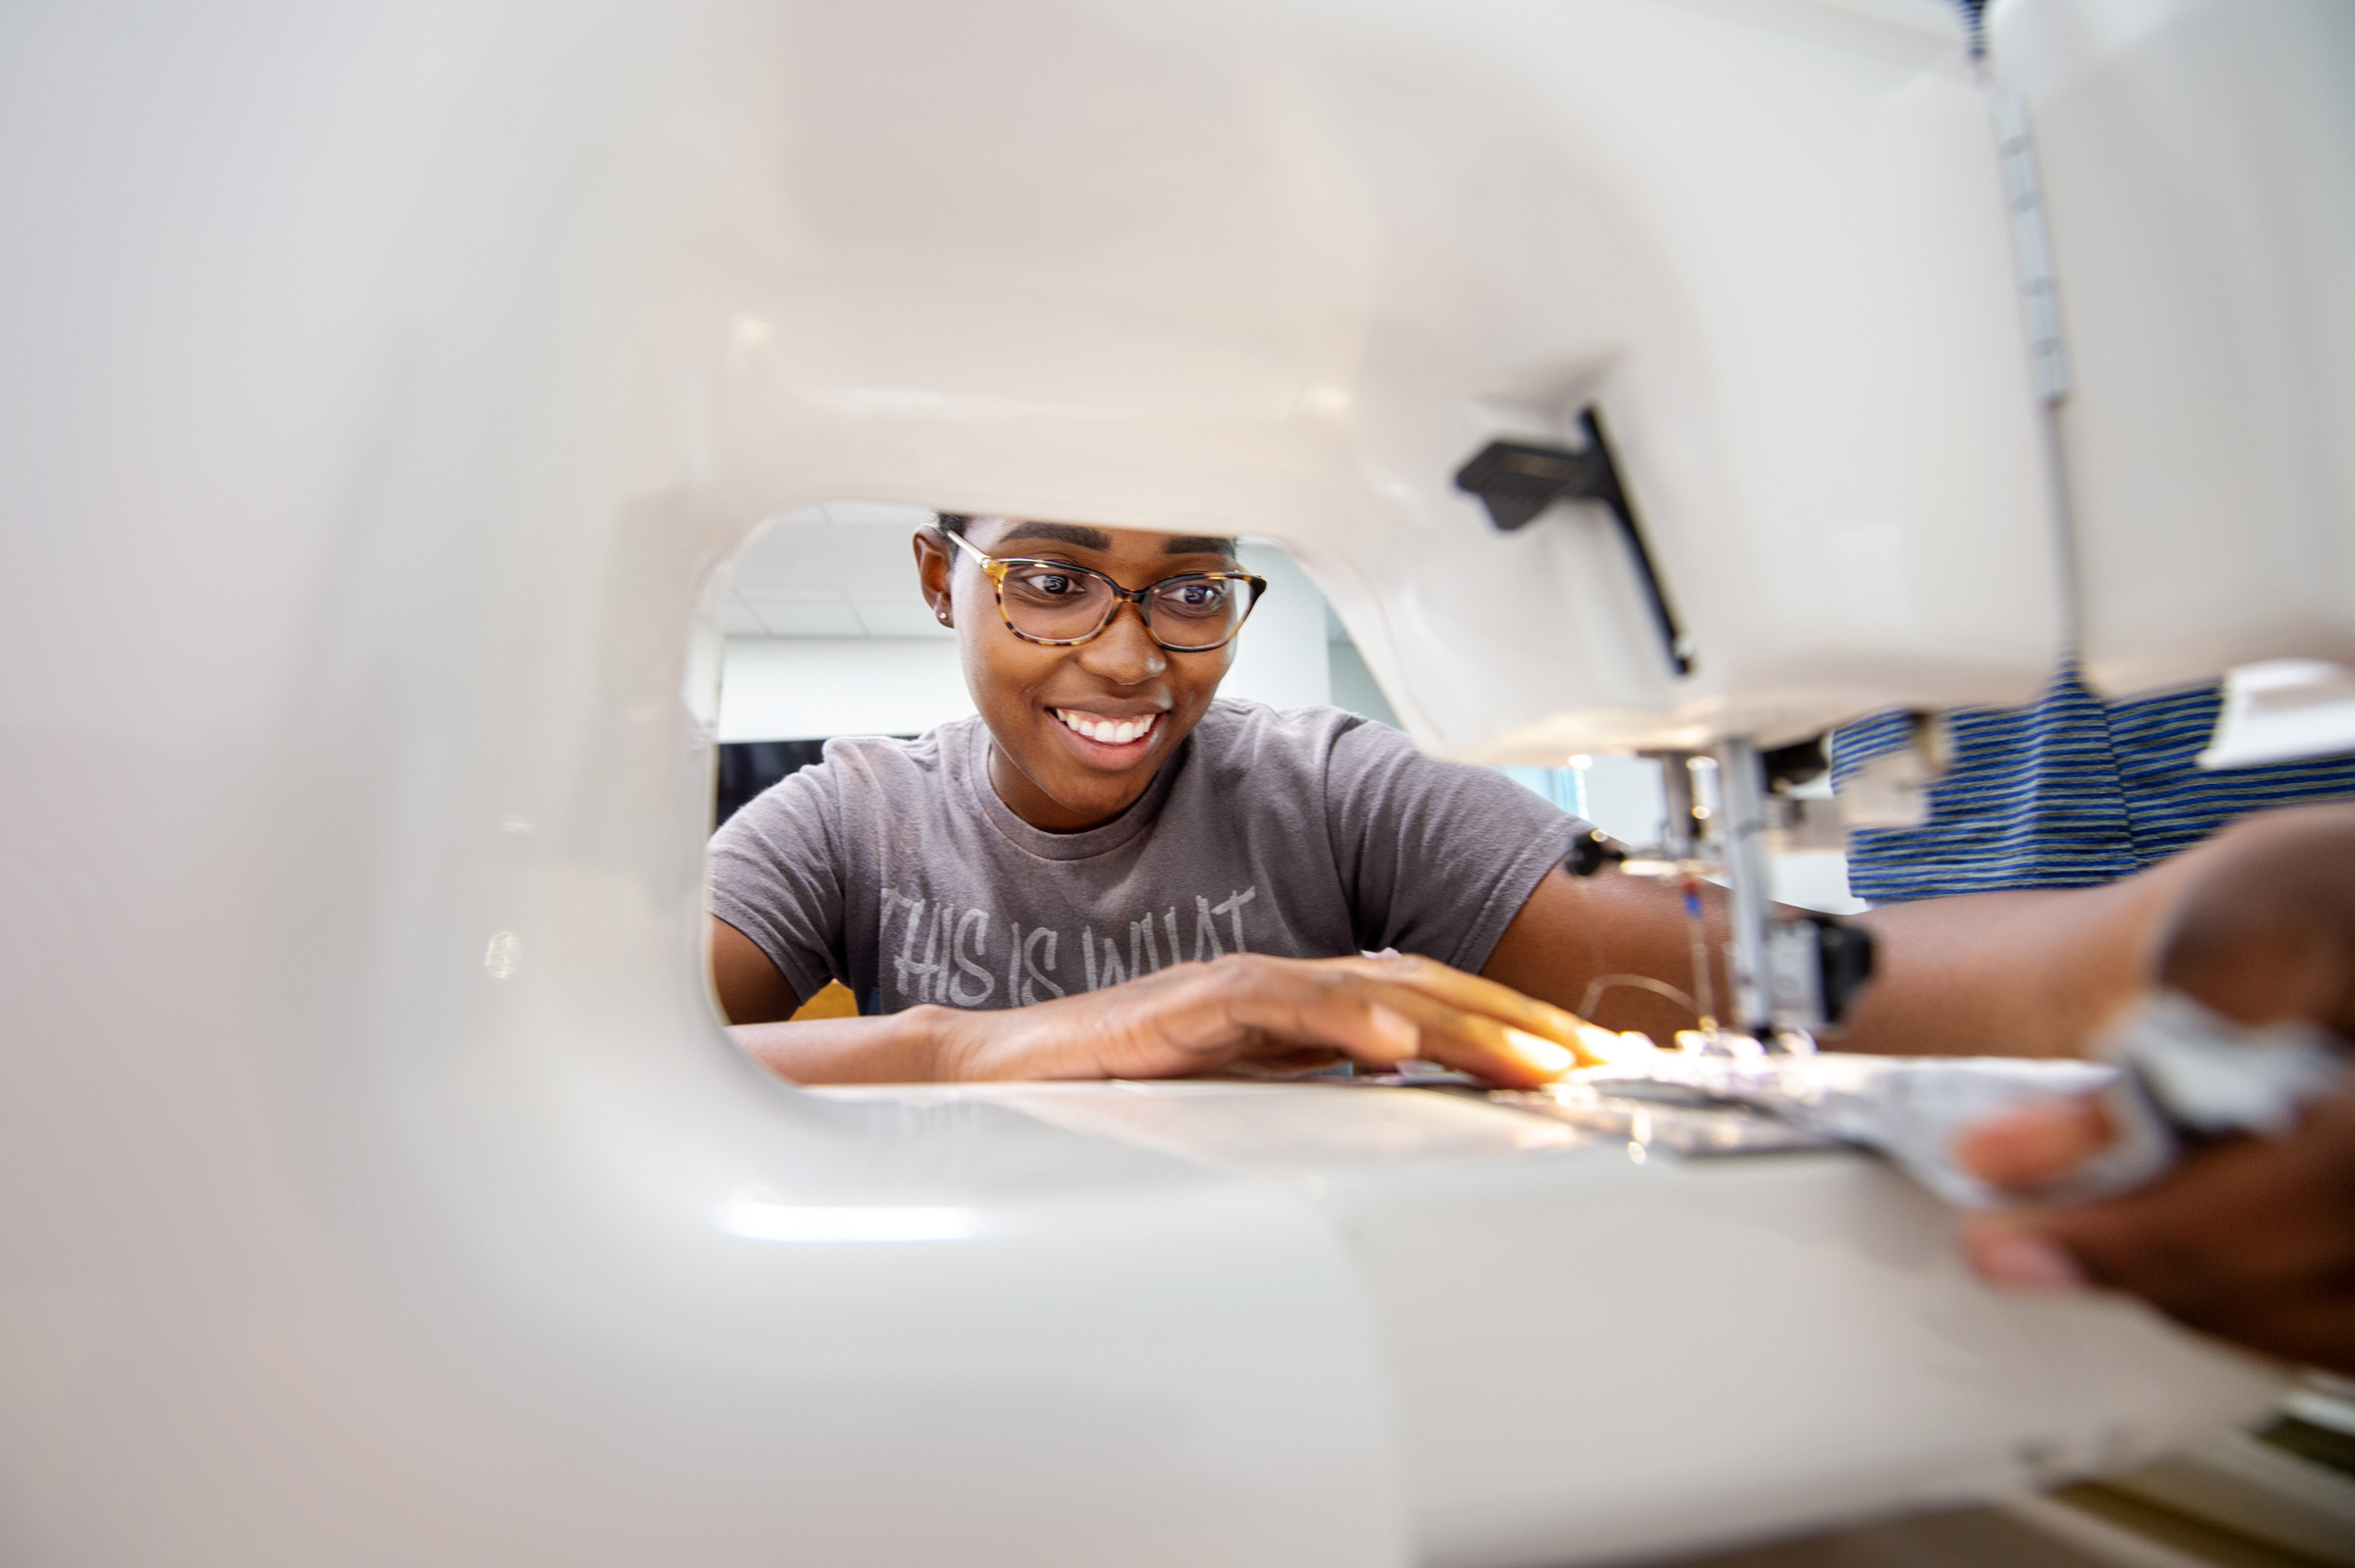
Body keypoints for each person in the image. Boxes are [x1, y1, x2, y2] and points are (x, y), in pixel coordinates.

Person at [709, 513, 2353, 1371]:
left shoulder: (1334, 793)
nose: (1131, 655)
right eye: (1055, 580)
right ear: (943, 576)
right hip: (931, 1358)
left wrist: (2176, 934)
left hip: (1302, 1362)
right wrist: (968, 1040)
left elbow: (1789, 981)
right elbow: (541, 1062)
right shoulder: (839, 822)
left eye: (1195, 591)